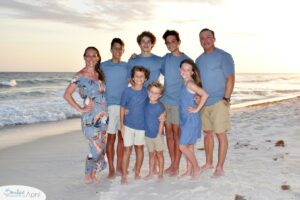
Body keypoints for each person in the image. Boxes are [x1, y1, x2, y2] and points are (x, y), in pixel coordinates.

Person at [64, 46, 108, 184]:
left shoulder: (99, 74)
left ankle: (90, 174)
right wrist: (80, 108)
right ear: (84, 57)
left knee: (101, 147)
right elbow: (67, 94)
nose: (91, 58)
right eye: (88, 55)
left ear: (98, 58)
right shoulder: (79, 76)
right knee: (95, 149)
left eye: (94, 55)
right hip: (90, 118)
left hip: (103, 116)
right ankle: (90, 173)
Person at [195, 28, 235, 177]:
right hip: (204, 103)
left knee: (220, 134)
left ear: (214, 38)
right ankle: (209, 162)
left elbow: (230, 78)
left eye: (208, 37)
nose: (205, 40)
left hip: (219, 101)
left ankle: (220, 167)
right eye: (202, 38)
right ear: (200, 41)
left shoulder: (223, 56)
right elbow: (198, 82)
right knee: (207, 134)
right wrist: (198, 97)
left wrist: (226, 98)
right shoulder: (198, 60)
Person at [161, 30, 190, 176]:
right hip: (165, 101)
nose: (170, 44)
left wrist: (196, 97)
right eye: (167, 42)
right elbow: (152, 67)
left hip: (179, 103)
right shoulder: (165, 59)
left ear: (178, 42)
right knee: (169, 134)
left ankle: (176, 166)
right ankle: (173, 163)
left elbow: (195, 80)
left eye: (173, 41)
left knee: (177, 135)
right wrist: (134, 58)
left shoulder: (187, 60)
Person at [101, 38, 128, 179]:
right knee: (111, 139)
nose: (117, 51)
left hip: (124, 106)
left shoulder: (127, 66)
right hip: (110, 106)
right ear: (111, 49)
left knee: (122, 139)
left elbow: (137, 79)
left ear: (123, 50)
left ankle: (119, 167)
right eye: (115, 48)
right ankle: (111, 169)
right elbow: (94, 81)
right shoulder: (103, 66)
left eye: (120, 48)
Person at [179, 59, 208, 179]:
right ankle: (189, 169)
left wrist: (197, 109)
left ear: (192, 72)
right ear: (180, 70)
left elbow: (205, 94)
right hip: (185, 118)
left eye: (188, 70)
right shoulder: (185, 82)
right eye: (183, 69)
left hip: (191, 119)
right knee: (190, 145)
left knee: (182, 146)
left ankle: (196, 168)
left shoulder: (190, 84)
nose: (185, 71)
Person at [120, 66, 149, 184]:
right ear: (132, 77)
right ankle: (124, 175)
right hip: (128, 125)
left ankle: (137, 172)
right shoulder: (127, 91)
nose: (139, 78)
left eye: (142, 76)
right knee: (127, 150)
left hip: (142, 126)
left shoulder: (147, 92)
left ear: (145, 78)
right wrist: (121, 126)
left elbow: (154, 101)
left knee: (140, 148)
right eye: (136, 76)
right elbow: (122, 108)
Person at [144, 81, 165, 180]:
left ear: (160, 95)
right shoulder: (145, 104)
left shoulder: (160, 107)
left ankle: (160, 173)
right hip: (147, 134)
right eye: (151, 92)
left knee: (159, 154)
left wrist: (159, 134)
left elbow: (161, 122)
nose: (153, 95)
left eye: (156, 93)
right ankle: (151, 172)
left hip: (157, 135)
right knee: (151, 154)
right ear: (148, 92)